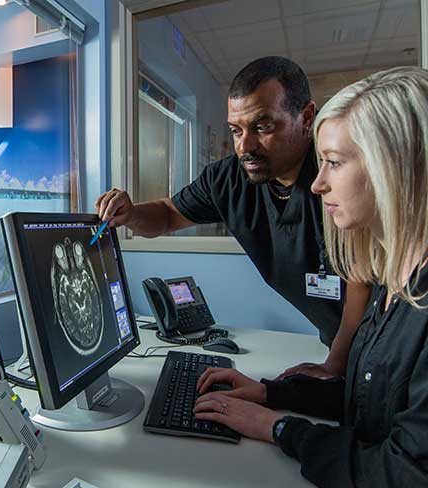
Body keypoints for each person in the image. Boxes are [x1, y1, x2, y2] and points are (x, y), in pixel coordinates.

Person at [193, 67, 428, 488]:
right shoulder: (396, 274)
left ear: (398, 167)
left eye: (335, 163)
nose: (318, 184)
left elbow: (409, 477)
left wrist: (281, 430)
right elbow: (377, 399)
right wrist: (271, 393)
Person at [96, 56, 370, 379]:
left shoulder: (332, 175)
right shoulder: (228, 179)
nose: (245, 146)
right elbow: (168, 215)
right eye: (236, 131)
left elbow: (361, 275)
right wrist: (130, 213)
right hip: (336, 345)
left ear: (306, 117)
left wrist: (337, 364)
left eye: (263, 126)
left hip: (375, 341)